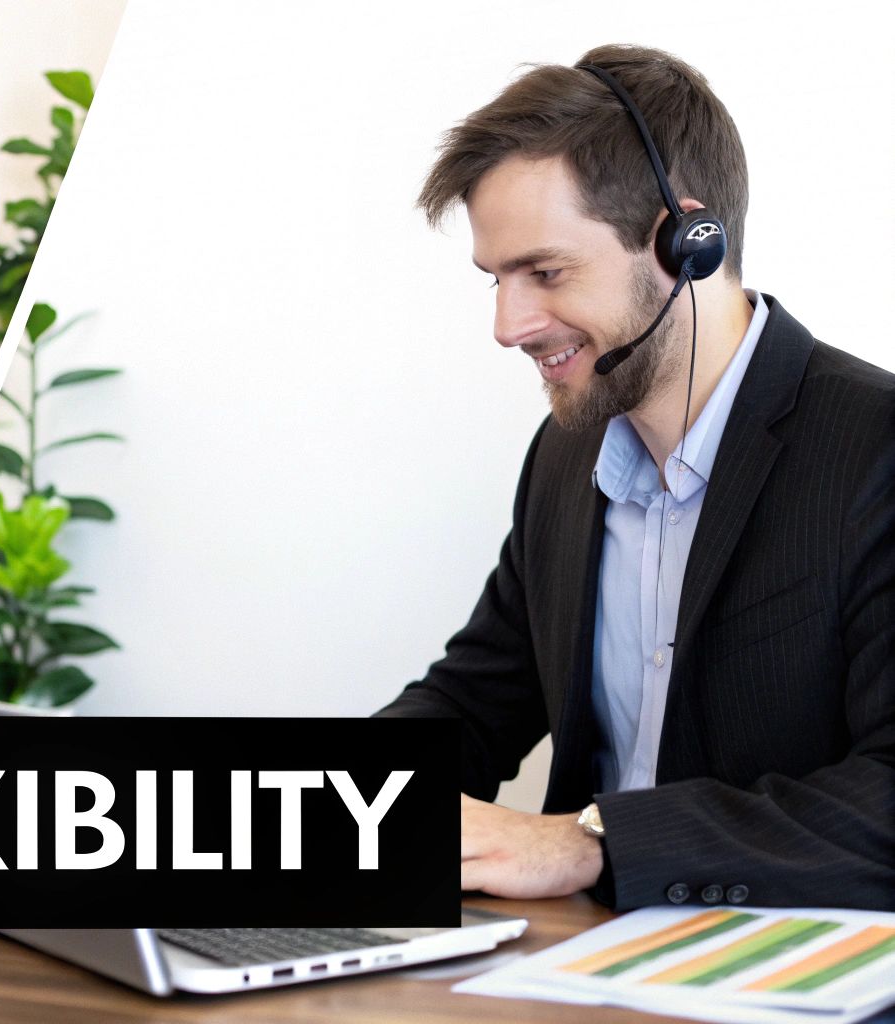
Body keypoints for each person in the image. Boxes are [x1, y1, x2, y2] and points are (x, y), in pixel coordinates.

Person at [377, 45, 894, 910]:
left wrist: (589, 841)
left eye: (545, 272)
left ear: (685, 244)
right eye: (497, 279)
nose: (508, 325)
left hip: (776, 962)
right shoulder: (566, 456)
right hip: (576, 957)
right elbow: (472, 702)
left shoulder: (874, 449)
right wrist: (291, 812)